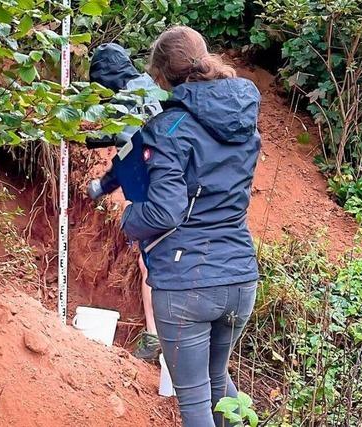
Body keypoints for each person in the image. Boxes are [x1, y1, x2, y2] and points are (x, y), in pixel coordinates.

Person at [120, 26, 261, 427]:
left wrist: (129, 220)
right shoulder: (244, 120)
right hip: (240, 278)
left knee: (196, 400)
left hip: (187, 283)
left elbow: (165, 213)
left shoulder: (169, 129)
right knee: (218, 380)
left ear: (161, 74)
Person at [85, 43, 162, 361]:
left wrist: (101, 185)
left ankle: (158, 338)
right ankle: (163, 337)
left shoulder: (130, 98)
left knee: (152, 262)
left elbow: (132, 150)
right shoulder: (150, 87)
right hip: (174, 190)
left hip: (158, 194)